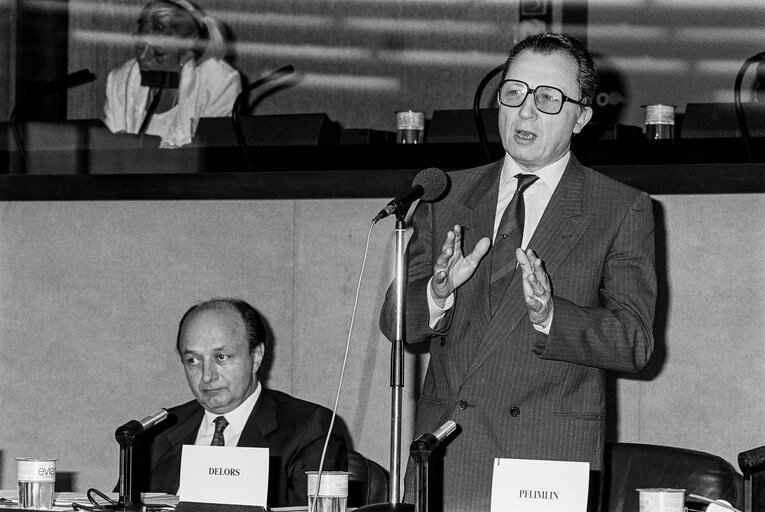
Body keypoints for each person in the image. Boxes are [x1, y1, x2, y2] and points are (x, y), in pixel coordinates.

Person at [380, 33, 656, 512]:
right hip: (447, 456)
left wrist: (552, 315)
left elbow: (635, 342)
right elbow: (396, 323)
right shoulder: (444, 195)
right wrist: (437, 294)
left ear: (582, 116)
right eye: (514, 92)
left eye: (548, 99)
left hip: (544, 462)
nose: (525, 112)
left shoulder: (618, 208)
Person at [132, 298, 347, 507]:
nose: (207, 376)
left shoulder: (309, 428)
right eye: (193, 361)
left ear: (256, 357)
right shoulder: (157, 434)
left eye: (221, 357)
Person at [103, 0, 241, 148]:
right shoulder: (121, 79)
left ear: (185, 56)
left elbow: (210, 154)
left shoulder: (219, 81)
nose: (142, 58)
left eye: (157, 53)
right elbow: (108, 148)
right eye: (139, 47)